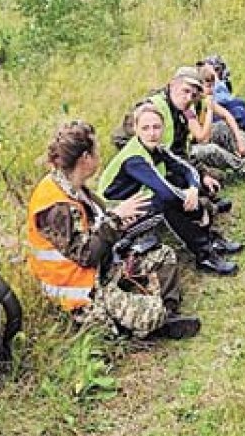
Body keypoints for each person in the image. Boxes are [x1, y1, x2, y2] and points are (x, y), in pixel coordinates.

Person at [26, 121, 200, 340]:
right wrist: (116, 218)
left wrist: (122, 219)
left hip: (104, 266)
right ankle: (150, 320)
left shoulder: (72, 186)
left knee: (164, 256)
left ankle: (164, 314)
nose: (100, 155)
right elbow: (86, 255)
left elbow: (95, 228)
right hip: (80, 286)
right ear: (85, 158)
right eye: (96, 150)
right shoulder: (55, 205)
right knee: (151, 314)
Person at [99, 103, 240, 275]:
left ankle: (210, 240)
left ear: (163, 127)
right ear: (135, 129)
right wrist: (198, 210)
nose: (152, 133)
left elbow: (188, 169)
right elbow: (166, 193)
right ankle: (205, 254)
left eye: (156, 127)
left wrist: (194, 189)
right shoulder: (134, 158)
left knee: (176, 180)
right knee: (165, 202)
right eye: (145, 128)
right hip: (114, 220)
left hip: (136, 204)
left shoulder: (155, 148)